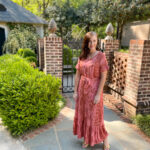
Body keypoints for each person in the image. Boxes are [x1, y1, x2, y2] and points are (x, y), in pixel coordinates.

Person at [73, 31, 110, 150]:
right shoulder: (82, 56)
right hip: (83, 91)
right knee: (85, 115)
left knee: (95, 117)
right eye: (89, 41)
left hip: (94, 91)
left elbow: (104, 76)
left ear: (97, 41)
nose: (92, 43)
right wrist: (75, 91)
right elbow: (77, 74)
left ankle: (105, 138)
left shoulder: (101, 56)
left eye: (94, 41)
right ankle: (87, 139)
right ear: (86, 43)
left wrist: (98, 94)